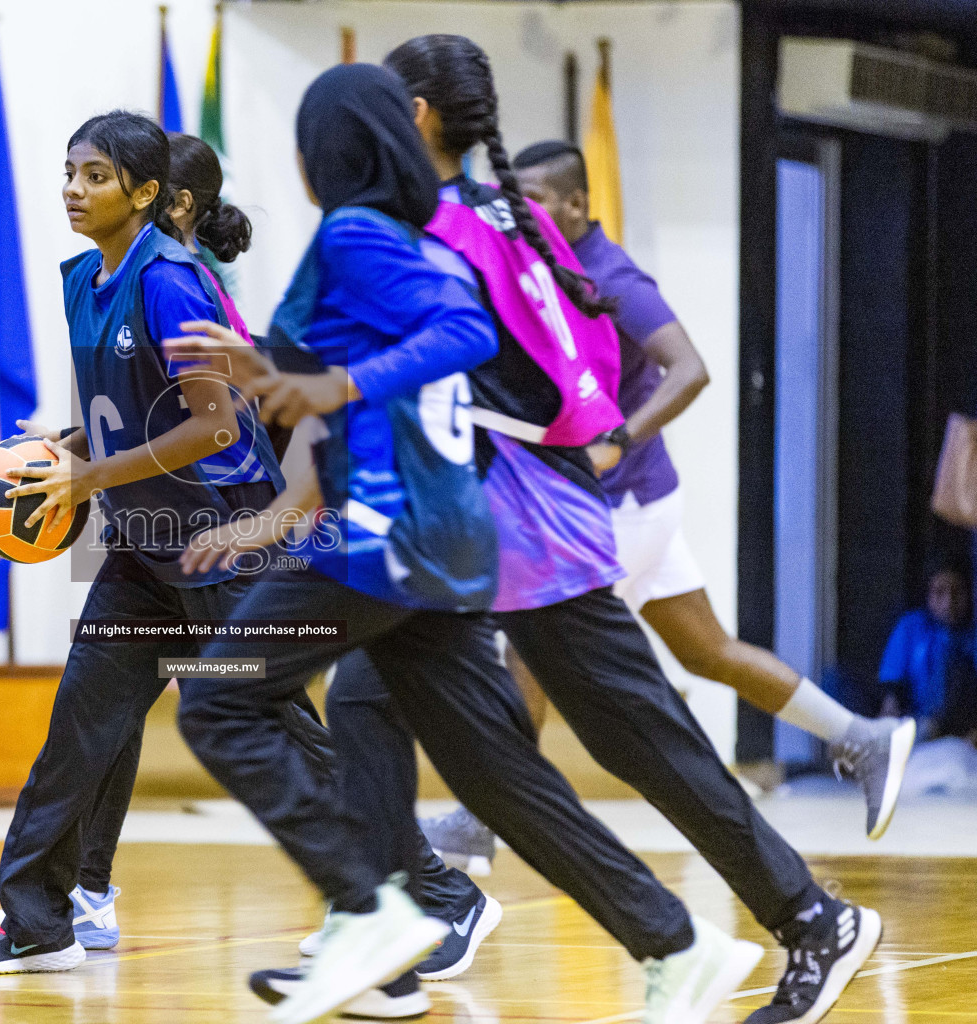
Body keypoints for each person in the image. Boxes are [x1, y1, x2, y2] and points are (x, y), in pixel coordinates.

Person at [166, 62, 762, 1024]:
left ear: (329, 149)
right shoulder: (393, 235)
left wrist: (333, 390)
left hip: (388, 532)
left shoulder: (358, 234)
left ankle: (369, 913)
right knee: (504, 777)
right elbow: (353, 355)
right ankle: (677, 943)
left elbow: (462, 332)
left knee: (220, 698)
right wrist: (269, 367)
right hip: (442, 543)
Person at [305, 34, 881, 1024]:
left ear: (420, 117)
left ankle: (804, 917)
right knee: (378, 701)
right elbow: (571, 377)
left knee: (643, 741)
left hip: (529, 529)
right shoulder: (502, 216)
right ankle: (419, 916)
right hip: (511, 521)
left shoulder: (441, 230)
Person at [500, 138, 917, 839]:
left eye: (534, 198)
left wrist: (618, 442)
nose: (521, 210)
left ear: (577, 203)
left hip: (623, 503)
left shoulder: (614, 278)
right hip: (640, 504)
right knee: (707, 651)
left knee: (530, 641)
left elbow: (689, 369)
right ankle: (861, 739)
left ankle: (486, 816)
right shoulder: (551, 269)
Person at [0, 111, 288, 975]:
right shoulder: (82, 277)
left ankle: (427, 895)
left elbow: (217, 426)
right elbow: (138, 401)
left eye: (94, 175)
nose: (73, 188)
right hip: (145, 546)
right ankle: (41, 918)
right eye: (70, 171)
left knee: (278, 727)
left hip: (221, 538)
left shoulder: (175, 282)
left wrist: (91, 476)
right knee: (82, 723)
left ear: (147, 195)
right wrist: (72, 442)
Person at [879, 556, 974, 739]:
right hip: (916, 721)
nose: (949, 602)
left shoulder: (972, 634)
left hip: (964, 728)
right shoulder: (911, 626)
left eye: (957, 592)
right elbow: (892, 695)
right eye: (940, 592)